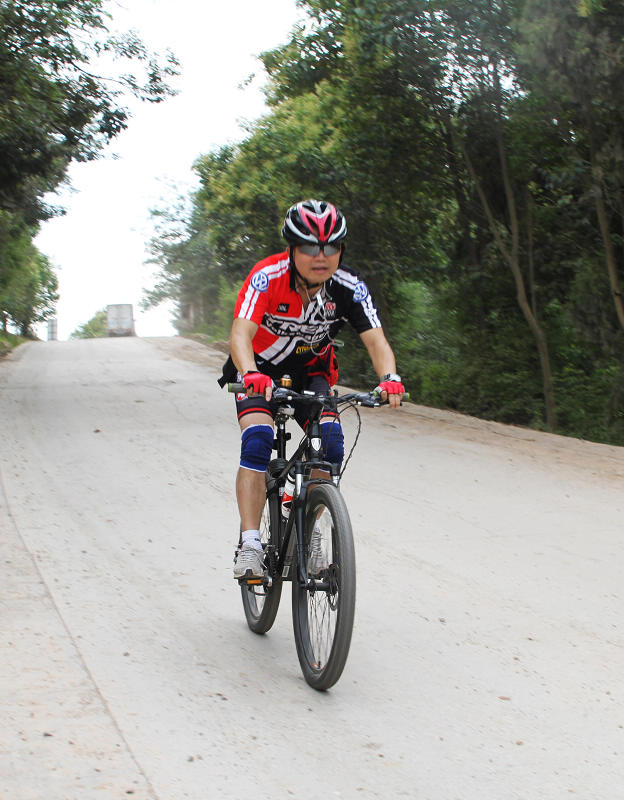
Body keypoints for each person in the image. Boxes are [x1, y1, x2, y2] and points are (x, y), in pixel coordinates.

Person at [219, 199, 405, 579]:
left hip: (312, 372)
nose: (321, 256)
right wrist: (250, 372)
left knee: (330, 446)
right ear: (292, 248)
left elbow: (376, 340)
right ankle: (251, 545)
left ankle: (305, 519)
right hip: (259, 370)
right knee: (257, 439)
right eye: (309, 247)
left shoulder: (349, 287)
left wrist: (390, 377)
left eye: (331, 246)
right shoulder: (267, 277)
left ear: (341, 249)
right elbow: (240, 333)